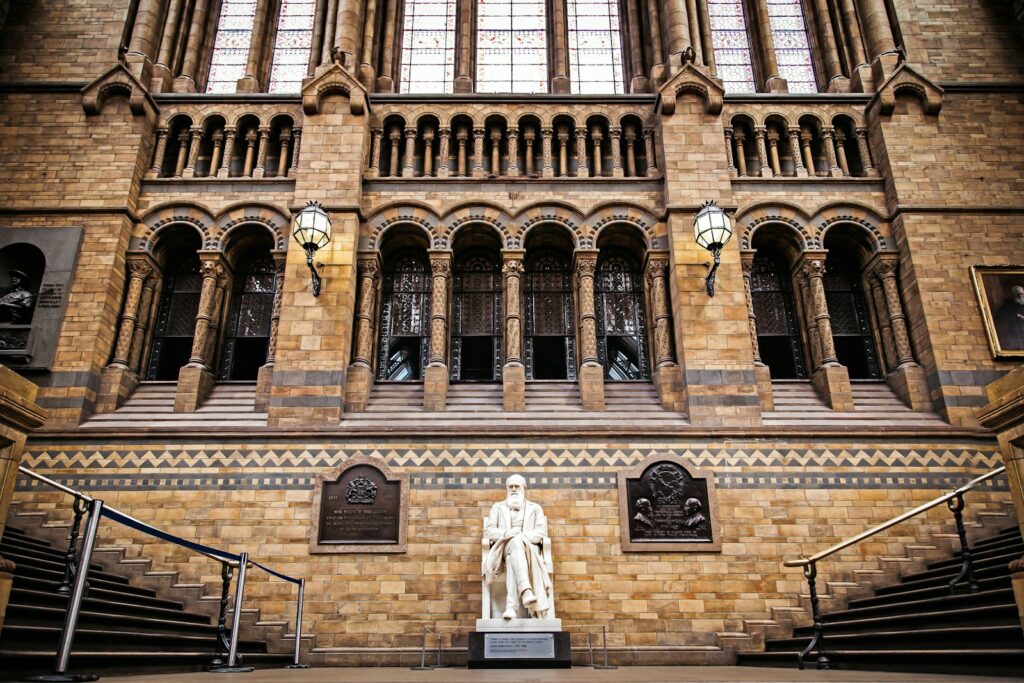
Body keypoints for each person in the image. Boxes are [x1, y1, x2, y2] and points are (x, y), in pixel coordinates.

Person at [482, 474, 554, 620]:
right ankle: (526, 591)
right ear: (507, 489)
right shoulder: (497, 507)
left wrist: (521, 537)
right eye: (511, 486)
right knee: (513, 544)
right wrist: (509, 533)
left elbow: (540, 532)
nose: (514, 489)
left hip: (527, 550)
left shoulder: (535, 508)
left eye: (517, 486)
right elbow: (489, 531)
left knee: (513, 555)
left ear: (524, 488)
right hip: (503, 548)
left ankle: (511, 608)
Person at [994, 284, 1024, 350]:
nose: (1020, 295)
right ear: (1014, 294)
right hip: (1016, 328)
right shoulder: (1008, 302)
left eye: (1021, 293)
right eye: (1018, 294)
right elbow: (999, 314)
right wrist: (1015, 315)